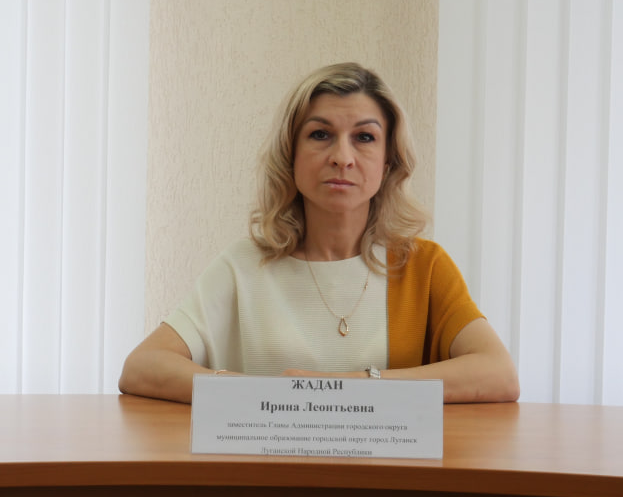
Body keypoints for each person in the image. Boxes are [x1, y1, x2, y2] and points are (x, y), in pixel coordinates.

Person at [119, 62, 520, 404]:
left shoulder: (423, 266)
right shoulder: (243, 266)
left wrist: (347, 387)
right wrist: (261, 395)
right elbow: (142, 367)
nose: (342, 158)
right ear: (291, 155)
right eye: (320, 134)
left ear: (387, 162)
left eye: (364, 137)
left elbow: (498, 375)